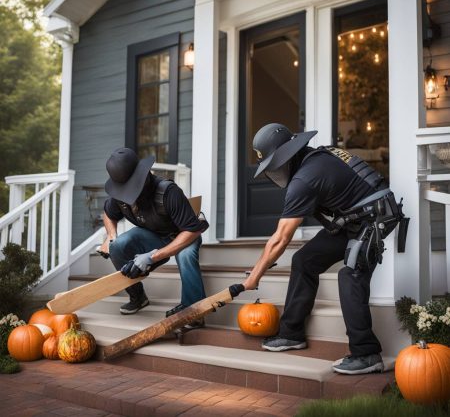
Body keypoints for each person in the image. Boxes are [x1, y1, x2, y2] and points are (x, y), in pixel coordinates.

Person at [242, 123, 407, 375]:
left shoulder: (305, 179)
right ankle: (291, 334)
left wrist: (254, 276)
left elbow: (280, 238)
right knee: (304, 260)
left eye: (275, 164)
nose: (274, 171)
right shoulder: (316, 156)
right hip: (352, 217)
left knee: (351, 274)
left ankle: (366, 353)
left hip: (375, 217)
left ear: (288, 156)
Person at [99, 147, 208, 329]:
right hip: (154, 236)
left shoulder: (168, 192)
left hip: (184, 234)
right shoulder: (120, 198)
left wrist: (152, 257)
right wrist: (110, 236)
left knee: (185, 255)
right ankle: (138, 297)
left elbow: (193, 230)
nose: (128, 196)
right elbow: (108, 214)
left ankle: (194, 311)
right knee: (117, 245)